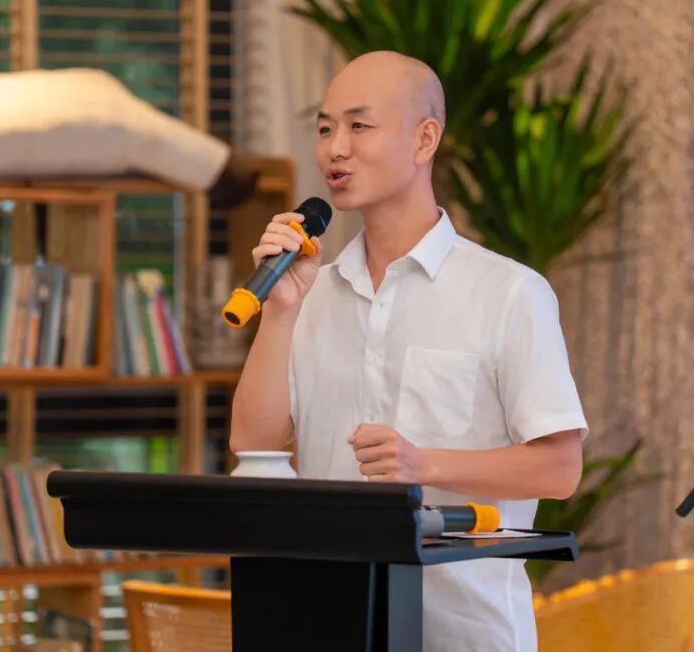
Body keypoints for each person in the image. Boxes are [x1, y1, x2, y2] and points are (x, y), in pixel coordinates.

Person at [229, 50, 587, 652]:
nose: (336, 148)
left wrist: (424, 465)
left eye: (359, 125)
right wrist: (282, 311)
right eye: (325, 129)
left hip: (467, 638)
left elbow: (559, 468)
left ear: (425, 140)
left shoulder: (508, 292)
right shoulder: (311, 293)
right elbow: (253, 445)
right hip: (330, 626)